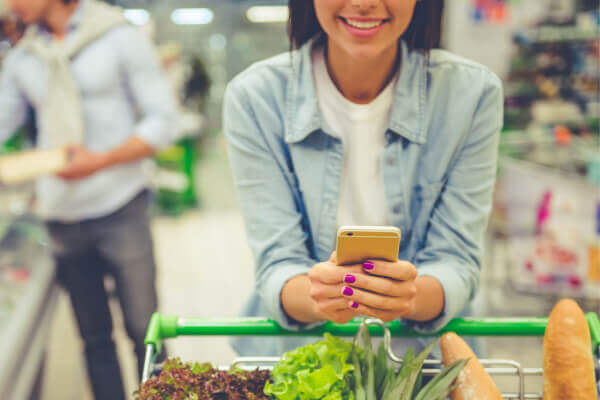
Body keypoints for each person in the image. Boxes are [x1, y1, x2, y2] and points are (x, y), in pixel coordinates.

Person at [224, 0, 503, 356]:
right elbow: (278, 264)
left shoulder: (471, 94)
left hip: (425, 364)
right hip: (301, 360)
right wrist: (317, 294)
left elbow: (457, 260)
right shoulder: (255, 97)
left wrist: (410, 296)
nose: (364, 4)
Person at [0, 0, 176, 398]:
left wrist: (101, 161)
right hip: (61, 215)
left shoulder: (117, 35)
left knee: (146, 332)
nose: (11, 4)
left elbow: (163, 120)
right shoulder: (25, 55)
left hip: (121, 205)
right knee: (94, 340)